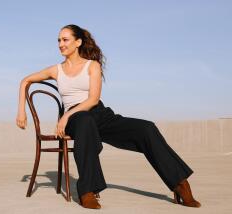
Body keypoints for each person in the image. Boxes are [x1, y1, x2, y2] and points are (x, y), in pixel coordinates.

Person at [16, 24, 201, 209]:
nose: (60, 44)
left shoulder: (92, 65)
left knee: (146, 128)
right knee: (85, 121)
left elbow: (93, 99)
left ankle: (179, 184)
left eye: (65, 40)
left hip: (98, 113)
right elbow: (25, 81)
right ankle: (87, 191)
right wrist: (21, 111)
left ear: (78, 42)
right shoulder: (56, 70)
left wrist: (64, 117)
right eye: (59, 40)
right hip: (77, 119)